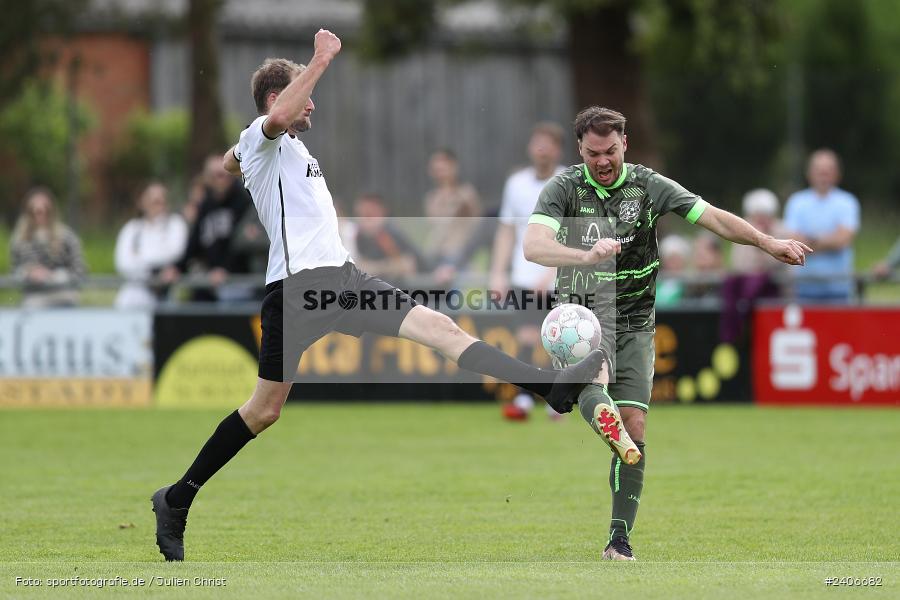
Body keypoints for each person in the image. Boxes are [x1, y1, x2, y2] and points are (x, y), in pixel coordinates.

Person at [150, 30, 604, 562]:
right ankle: (177, 499)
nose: (313, 101)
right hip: (296, 292)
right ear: (277, 98)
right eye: (303, 90)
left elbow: (237, 157)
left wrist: (232, 158)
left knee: (442, 329)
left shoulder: (272, 146)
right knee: (265, 409)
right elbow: (265, 127)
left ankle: (549, 387)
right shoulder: (265, 133)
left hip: (342, 281)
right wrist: (320, 59)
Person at [523, 106, 811, 561]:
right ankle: (598, 410)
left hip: (636, 319)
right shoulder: (562, 188)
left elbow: (713, 217)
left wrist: (767, 242)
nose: (603, 161)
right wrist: (583, 256)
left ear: (625, 145)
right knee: (593, 384)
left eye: (611, 151)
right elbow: (533, 246)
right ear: (580, 149)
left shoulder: (649, 185)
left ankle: (619, 541)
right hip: (580, 314)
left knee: (635, 428)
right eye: (594, 152)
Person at [489, 122, 565, 420]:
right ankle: (523, 397)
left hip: (560, 275)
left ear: (557, 149)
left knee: (558, 338)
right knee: (526, 336)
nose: (542, 148)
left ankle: (557, 397)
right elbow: (507, 231)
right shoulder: (516, 183)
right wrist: (497, 272)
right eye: (538, 142)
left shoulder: (566, 181)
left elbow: (571, 233)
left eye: (548, 143)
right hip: (523, 274)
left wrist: (551, 272)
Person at [162, 154, 254, 301]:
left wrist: (225, 269)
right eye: (217, 175)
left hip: (238, 279)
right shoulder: (206, 204)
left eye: (227, 174)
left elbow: (242, 244)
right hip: (211, 278)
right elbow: (194, 242)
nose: (223, 179)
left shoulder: (244, 202)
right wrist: (177, 268)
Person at [783, 149, 860, 303]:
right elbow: (791, 240)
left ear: (837, 174)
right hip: (803, 288)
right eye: (819, 170)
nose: (823, 175)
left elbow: (842, 240)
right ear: (809, 173)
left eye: (828, 170)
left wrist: (808, 242)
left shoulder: (848, 202)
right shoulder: (796, 202)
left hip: (839, 289)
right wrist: (829, 240)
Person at [719, 189, 785, 342]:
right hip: (746, 289)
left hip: (772, 289)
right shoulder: (741, 232)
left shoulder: (782, 231)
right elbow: (738, 265)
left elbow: (778, 264)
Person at [114, 182, 189, 309]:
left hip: (164, 296)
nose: (158, 205)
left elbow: (175, 252)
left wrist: (139, 257)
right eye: (153, 201)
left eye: (161, 200)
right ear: (142, 202)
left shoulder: (175, 224)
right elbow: (123, 263)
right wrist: (151, 268)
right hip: (134, 296)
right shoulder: (132, 228)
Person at [10, 187, 86, 308]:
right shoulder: (19, 240)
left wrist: (53, 276)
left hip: (63, 294)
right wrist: (28, 274)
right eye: (34, 211)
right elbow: (14, 272)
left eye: (45, 210)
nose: (40, 215)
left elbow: (80, 271)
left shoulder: (67, 237)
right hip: (34, 296)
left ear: (52, 211)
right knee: (32, 307)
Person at [423, 148, 482, 273]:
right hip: (436, 254)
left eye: (444, 164)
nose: (440, 169)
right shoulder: (432, 197)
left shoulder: (466, 193)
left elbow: (477, 224)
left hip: (458, 256)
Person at [352, 193, 423, 285]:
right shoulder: (361, 236)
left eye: (369, 215)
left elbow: (407, 264)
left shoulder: (387, 234)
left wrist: (375, 268)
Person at [656, 234, 690, 307]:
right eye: (670, 259)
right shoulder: (656, 283)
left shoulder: (690, 284)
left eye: (677, 259)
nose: (674, 263)